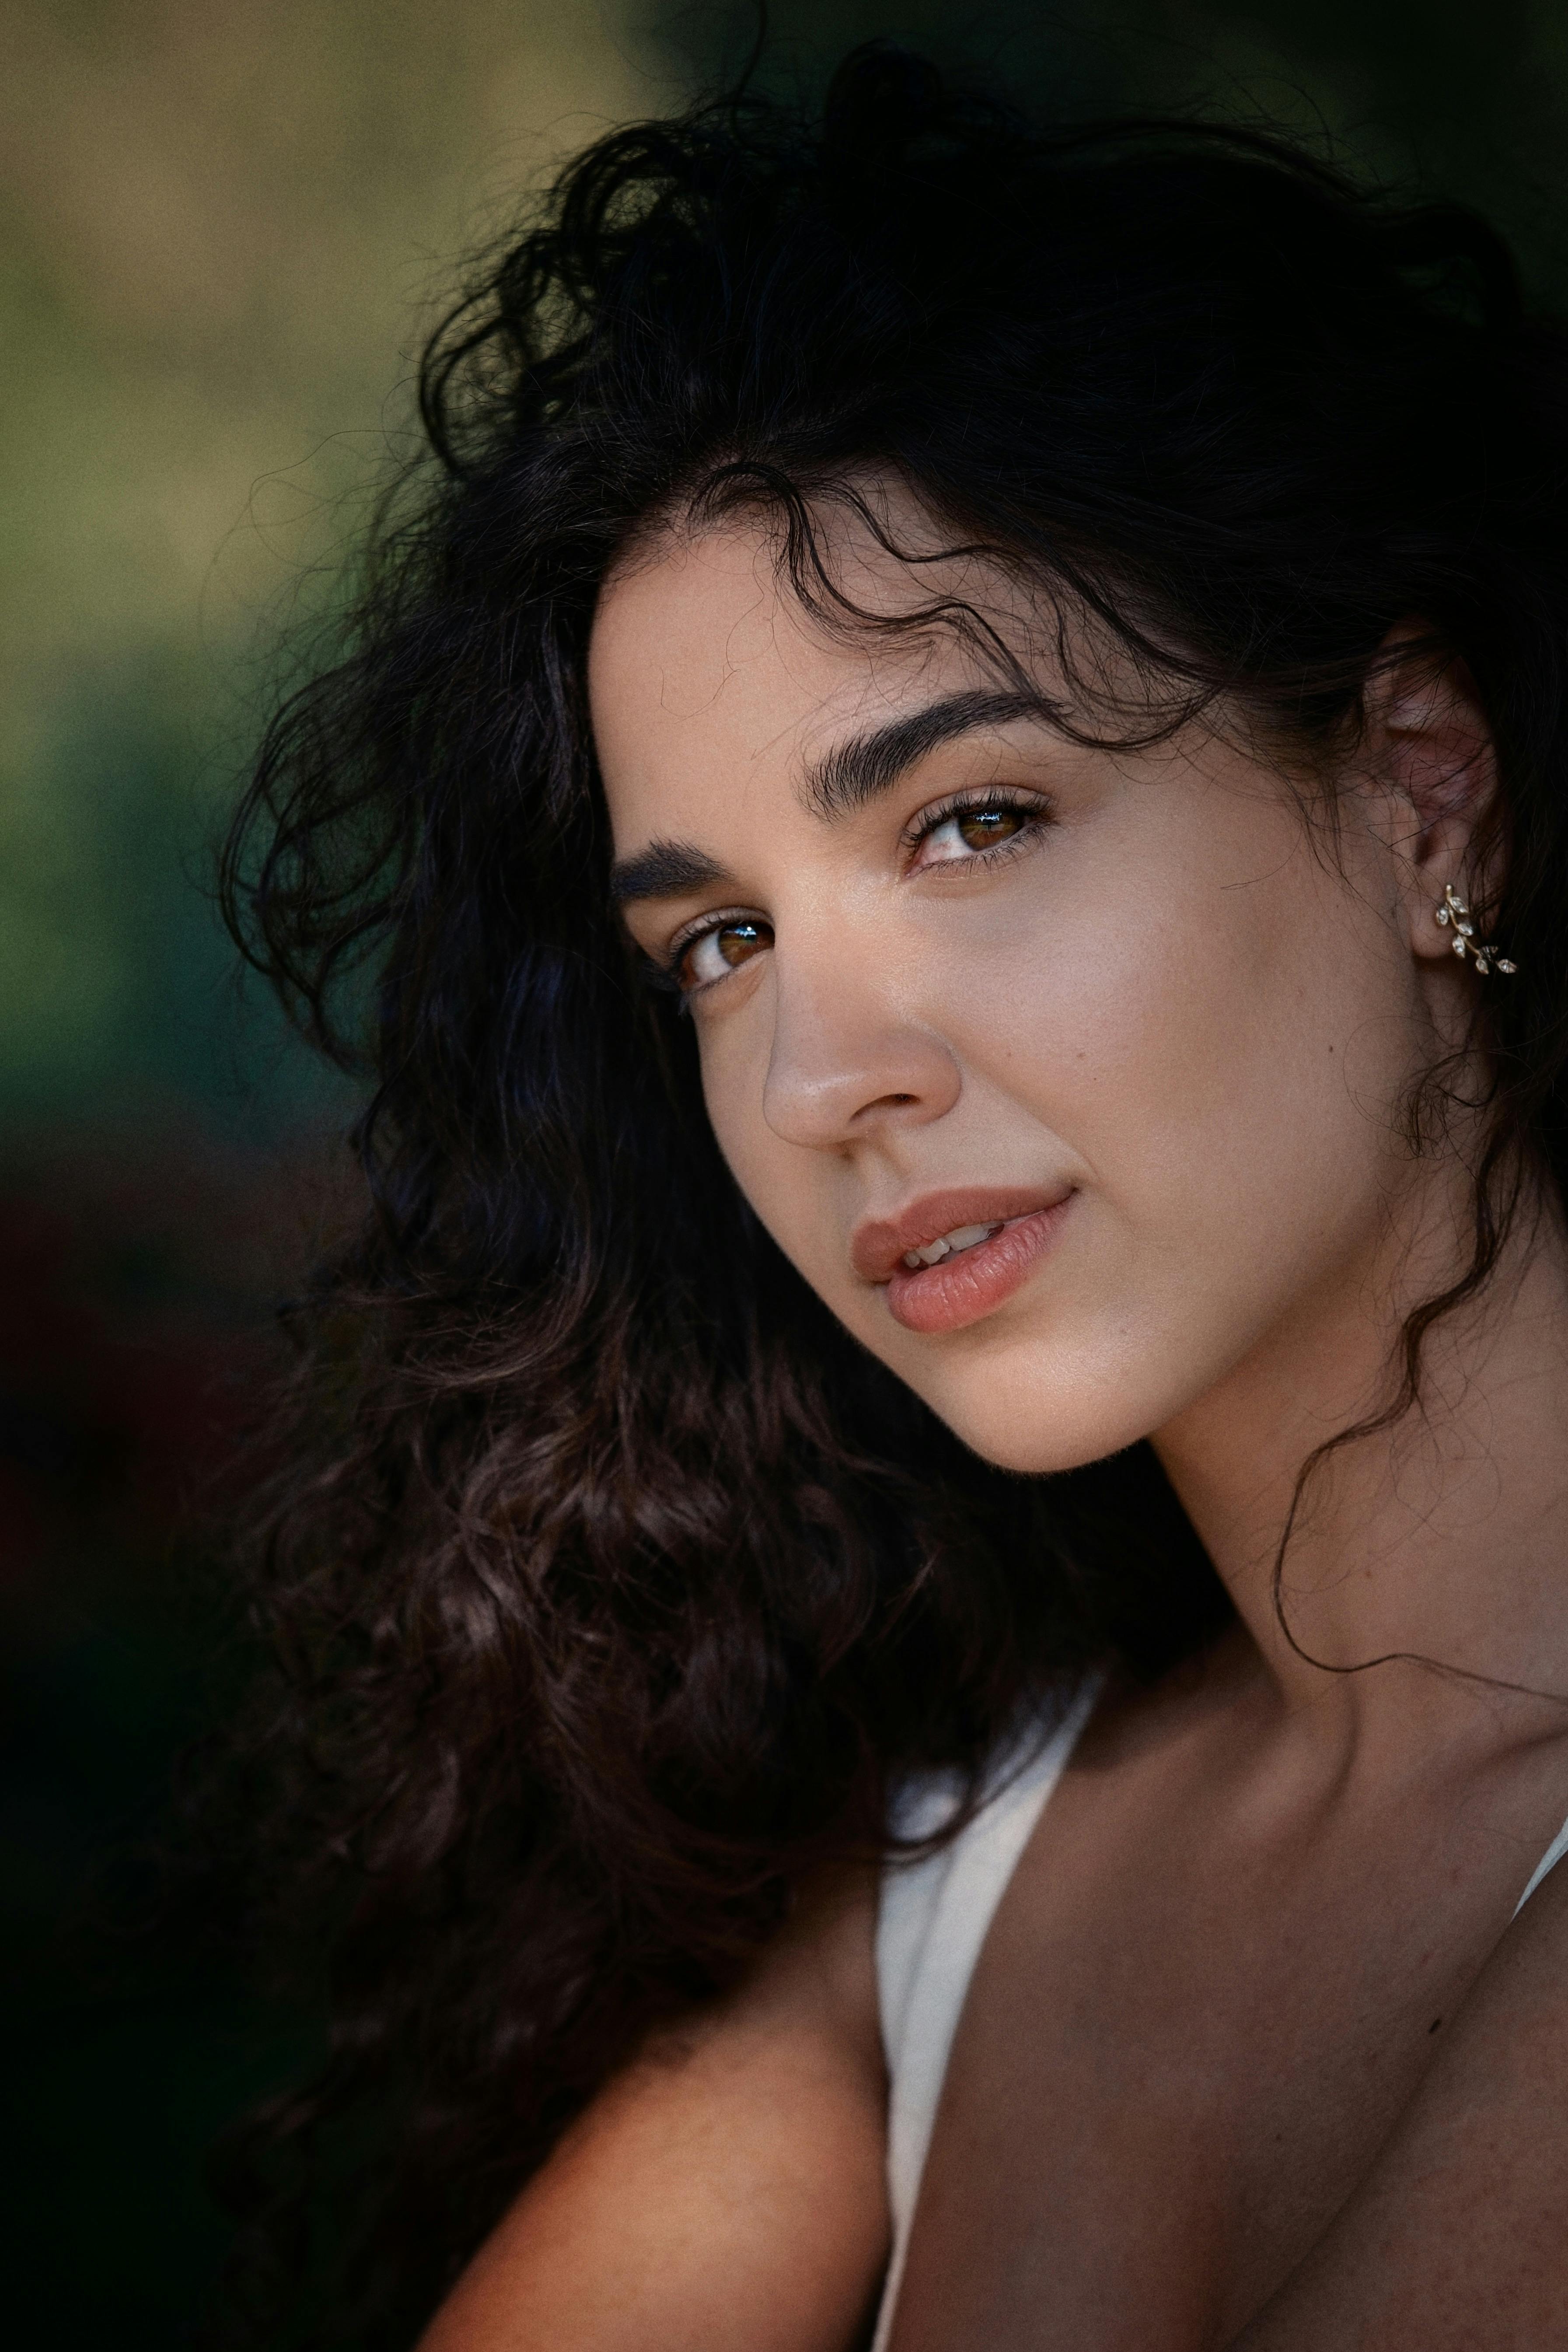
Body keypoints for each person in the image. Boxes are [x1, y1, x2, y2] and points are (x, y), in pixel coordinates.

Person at [221, 41, 1568, 2349]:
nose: (831, 1076)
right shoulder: (945, 1875)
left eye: (969, 819)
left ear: (1421, 796)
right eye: (719, 945)